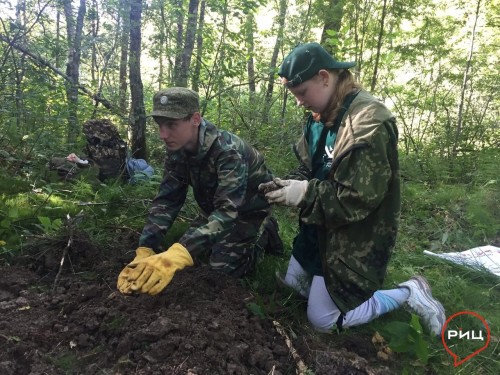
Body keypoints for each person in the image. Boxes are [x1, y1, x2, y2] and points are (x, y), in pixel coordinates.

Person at [259, 42, 446, 335]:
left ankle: (409, 292)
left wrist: (303, 193)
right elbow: (308, 167)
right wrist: (288, 185)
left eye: (302, 93)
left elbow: (354, 201)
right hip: (319, 225)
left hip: (354, 237)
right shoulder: (319, 115)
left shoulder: (367, 123)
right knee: (294, 287)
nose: (298, 102)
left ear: (324, 77)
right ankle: (323, 288)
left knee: (321, 321)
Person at [118, 87, 280, 295]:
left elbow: (229, 212)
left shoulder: (227, 151)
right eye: (159, 125)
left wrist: (179, 252)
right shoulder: (177, 148)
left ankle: (265, 232)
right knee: (191, 257)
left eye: (171, 125)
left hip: (247, 210)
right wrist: (146, 248)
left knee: (219, 271)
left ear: (195, 119)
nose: (163, 135)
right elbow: (167, 200)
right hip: (214, 209)